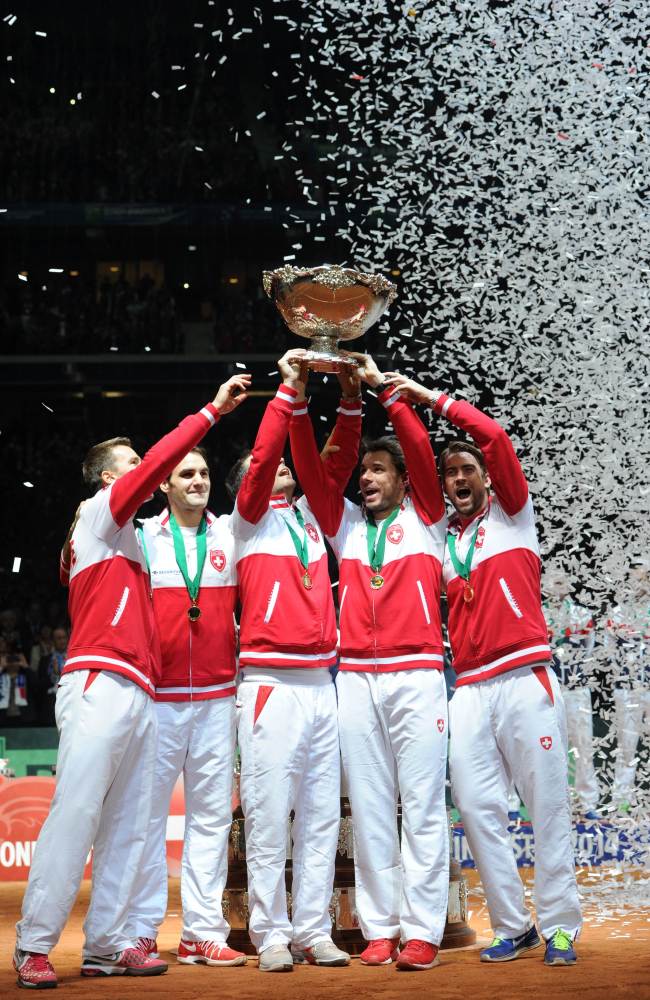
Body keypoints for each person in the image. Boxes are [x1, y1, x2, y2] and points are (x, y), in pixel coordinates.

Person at [13, 373, 250, 990]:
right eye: (132, 465)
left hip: (143, 690)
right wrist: (211, 411)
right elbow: (156, 471)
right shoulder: (98, 516)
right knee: (77, 812)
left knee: (129, 827)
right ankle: (35, 944)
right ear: (108, 480)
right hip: (99, 679)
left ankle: (107, 944)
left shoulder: (138, 542)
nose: (143, 469)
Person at [384, 372, 582, 967]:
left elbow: (493, 437)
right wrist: (394, 406)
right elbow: (417, 462)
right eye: (450, 474)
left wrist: (429, 398)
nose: (458, 479)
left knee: (545, 802)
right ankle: (512, 924)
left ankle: (561, 925)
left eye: (468, 470)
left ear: (488, 477)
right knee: (474, 809)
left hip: (525, 675)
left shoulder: (515, 515)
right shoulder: (444, 537)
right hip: (467, 685)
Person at [289, 354, 449, 972]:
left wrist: (386, 392)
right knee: (375, 807)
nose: (366, 478)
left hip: (416, 674)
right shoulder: (346, 527)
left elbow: (417, 446)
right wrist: (305, 399)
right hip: (354, 677)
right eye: (364, 471)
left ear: (405, 480)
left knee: (422, 805)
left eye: (380, 470)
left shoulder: (428, 520)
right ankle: (382, 928)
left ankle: (424, 929)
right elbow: (308, 465)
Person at [227, 349, 359, 972]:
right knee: (268, 813)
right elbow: (261, 461)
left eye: (286, 468)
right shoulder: (246, 521)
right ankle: (270, 933)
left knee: (319, 817)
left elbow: (333, 460)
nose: (282, 468)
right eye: (270, 467)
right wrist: (284, 393)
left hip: (320, 683)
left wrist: (347, 396)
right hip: (270, 682)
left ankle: (311, 928)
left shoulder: (313, 519)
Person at [129, 446, 246, 968]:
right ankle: (138, 930)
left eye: (204, 472)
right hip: (160, 698)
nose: (199, 480)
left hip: (219, 697)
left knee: (211, 820)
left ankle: (201, 931)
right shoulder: (143, 538)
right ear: (164, 485)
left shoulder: (232, 535)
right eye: (186, 473)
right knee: (146, 818)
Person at [545, 573, 600, 820]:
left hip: (576, 689)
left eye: (563, 581)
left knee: (583, 745)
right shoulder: (537, 613)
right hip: (548, 690)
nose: (559, 586)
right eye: (554, 581)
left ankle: (587, 801)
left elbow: (590, 649)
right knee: (550, 747)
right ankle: (554, 804)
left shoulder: (582, 615)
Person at [607, 565, 650, 812]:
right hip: (627, 688)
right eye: (635, 577)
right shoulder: (618, 614)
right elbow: (606, 650)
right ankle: (622, 800)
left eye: (644, 577)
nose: (639, 582)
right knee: (627, 745)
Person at [35, 626, 69, 726]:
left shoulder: (74, 658)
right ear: (53, 641)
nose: (62, 641)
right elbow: (39, 685)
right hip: (51, 706)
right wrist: (53, 675)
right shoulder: (45, 660)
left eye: (64, 637)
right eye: (59, 638)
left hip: (70, 702)